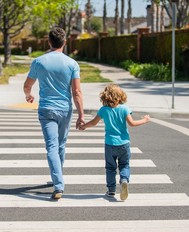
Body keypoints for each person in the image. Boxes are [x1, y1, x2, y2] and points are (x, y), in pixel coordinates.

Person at [23, 27, 84, 200]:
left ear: (49, 42)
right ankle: (58, 178)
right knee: (61, 144)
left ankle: (58, 183)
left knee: (51, 146)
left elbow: (27, 85)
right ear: (65, 42)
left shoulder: (38, 62)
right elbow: (77, 92)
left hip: (46, 109)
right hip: (65, 109)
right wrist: (81, 115)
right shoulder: (72, 64)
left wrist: (28, 96)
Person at [79, 84, 150, 200]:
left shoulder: (103, 110)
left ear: (105, 97)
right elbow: (132, 124)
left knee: (110, 167)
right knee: (124, 165)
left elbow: (93, 122)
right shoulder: (124, 108)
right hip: (124, 143)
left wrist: (84, 126)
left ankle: (111, 190)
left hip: (110, 143)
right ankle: (124, 179)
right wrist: (145, 120)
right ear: (121, 96)